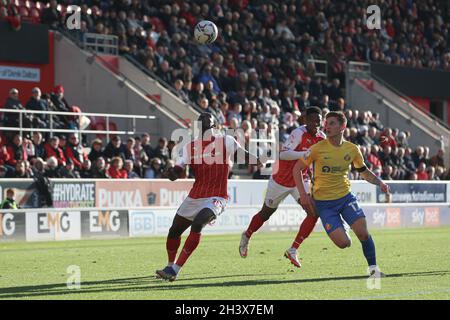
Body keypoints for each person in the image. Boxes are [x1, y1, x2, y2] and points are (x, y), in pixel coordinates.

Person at [155, 112, 261, 282]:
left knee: (198, 223)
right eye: (202, 124)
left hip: (217, 196)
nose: (205, 127)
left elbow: (242, 153)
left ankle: (175, 269)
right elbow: (178, 170)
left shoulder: (226, 141)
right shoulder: (190, 147)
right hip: (195, 195)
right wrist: (171, 173)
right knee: (174, 231)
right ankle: (169, 264)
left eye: (208, 124)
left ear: (215, 126)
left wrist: (256, 159)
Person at [293, 111, 390, 278]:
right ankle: (344, 228)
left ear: (342, 127)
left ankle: (374, 269)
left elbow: (364, 172)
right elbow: (296, 169)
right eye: (326, 123)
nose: (327, 126)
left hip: (346, 198)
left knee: (363, 233)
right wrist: (303, 195)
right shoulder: (316, 149)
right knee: (344, 243)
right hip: (324, 204)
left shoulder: (352, 149)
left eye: (332, 123)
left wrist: (380, 182)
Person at [239, 107, 326, 268]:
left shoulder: (322, 138)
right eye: (313, 120)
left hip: (300, 180)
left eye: (318, 122)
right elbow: (284, 154)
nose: (316, 124)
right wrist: (304, 154)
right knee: (266, 213)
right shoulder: (298, 133)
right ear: (305, 120)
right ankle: (247, 235)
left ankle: (293, 249)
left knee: (314, 213)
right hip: (281, 180)